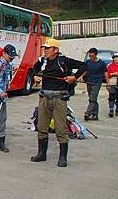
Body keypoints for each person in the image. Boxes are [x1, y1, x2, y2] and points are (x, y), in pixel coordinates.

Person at [31, 38, 86, 168]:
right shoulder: (41, 61)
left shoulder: (63, 61)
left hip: (59, 99)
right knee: (42, 126)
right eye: (45, 48)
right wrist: (35, 76)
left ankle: (62, 158)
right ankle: (41, 154)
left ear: (56, 50)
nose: (45, 51)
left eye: (48, 48)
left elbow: (84, 65)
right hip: (44, 97)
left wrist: (74, 77)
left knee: (61, 128)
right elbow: (34, 69)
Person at [82, 48, 107, 121]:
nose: (91, 57)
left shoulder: (101, 63)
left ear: (96, 55)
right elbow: (85, 70)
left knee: (92, 98)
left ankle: (88, 112)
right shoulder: (88, 62)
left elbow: (105, 72)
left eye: (92, 56)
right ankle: (95, 115)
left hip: (97, 82)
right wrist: (80, 76)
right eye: (90, 56)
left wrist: (108, 83)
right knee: (93, 99)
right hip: (89, 82)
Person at [105, 53, 118, 117]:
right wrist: (113, 73)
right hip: (112, 82)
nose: (115, 59)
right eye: (114, 57)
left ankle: (117, 109)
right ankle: (111, 109)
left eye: (117, 57)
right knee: (112, 95)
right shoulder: (110, 65)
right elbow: (107, 74)